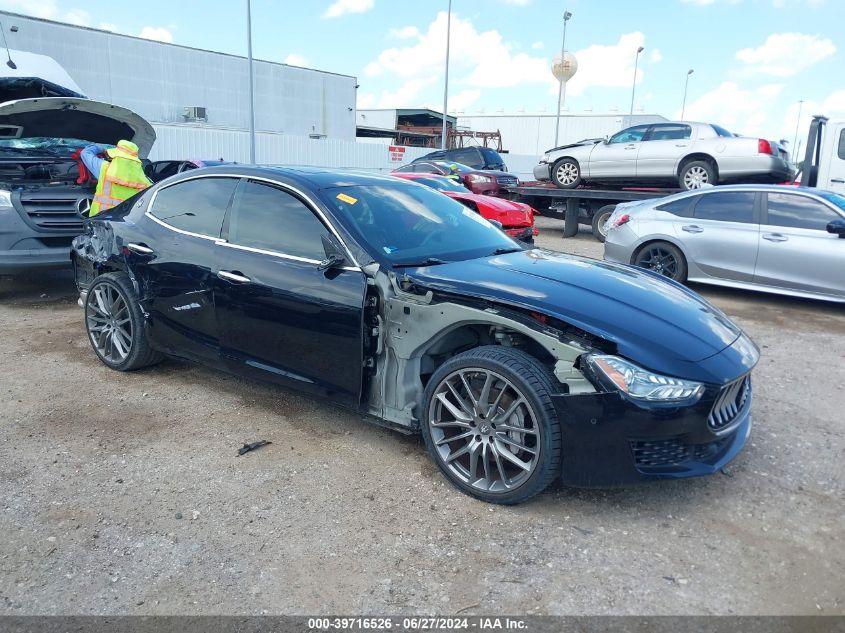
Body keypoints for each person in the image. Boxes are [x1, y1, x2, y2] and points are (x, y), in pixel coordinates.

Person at [80, 140, 152, 216]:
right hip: (125, 224)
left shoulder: (104, 168)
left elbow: (85, 153)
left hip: (100, 220)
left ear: (116, 156)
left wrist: (101, 147)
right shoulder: (145, 182)